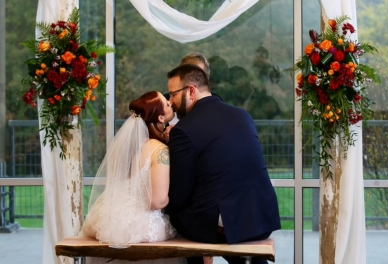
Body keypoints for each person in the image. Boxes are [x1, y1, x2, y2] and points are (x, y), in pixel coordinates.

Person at [165, 64, 281, 264]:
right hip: (262, 217)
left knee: (173, 215)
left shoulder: (183, 130)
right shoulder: (242, 115)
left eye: (172, 94)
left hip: (227, 224)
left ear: (191, 91)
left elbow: (178, 195)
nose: (170, 101)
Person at [81, 91, 182, 264]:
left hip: (111, 219)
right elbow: (157, 202)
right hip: (143, 225)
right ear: (159, 118)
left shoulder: (125, 149)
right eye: (166, 103)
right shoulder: (159, 151)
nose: (170, 104)